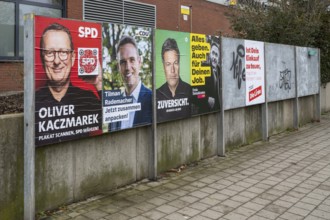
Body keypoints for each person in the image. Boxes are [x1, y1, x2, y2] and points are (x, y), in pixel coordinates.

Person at [35, 22, 102, 146]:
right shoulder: (33, 102)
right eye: (49, 53)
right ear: (42, 58)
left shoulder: (87, 99)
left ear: (72, 57)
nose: (56, 61)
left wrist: (99, 85)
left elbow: (113, 121)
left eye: (63, 52)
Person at [109, 36, 152, 131]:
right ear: (118, 66)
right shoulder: (114, 106)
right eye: (123, 62)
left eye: (132, 60)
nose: (128, 67)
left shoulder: (153, 100)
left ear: (139, 62)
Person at [156, 38, 192, 122]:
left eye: (175, 63)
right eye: (168, 64)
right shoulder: (156, 95)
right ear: (163, 67)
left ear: (179, 64)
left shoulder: (190, 90)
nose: (172, 70)